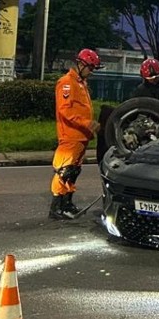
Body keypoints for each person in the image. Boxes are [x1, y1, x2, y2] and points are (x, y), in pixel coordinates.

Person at [49, 48, 102, 220]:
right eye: (90, 67)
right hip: (70, 136)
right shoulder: (66, 82)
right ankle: (56, 207)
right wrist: (87, 123)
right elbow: (65, 111)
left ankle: (67, 204)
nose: (91, 71)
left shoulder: (81, 83)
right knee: (64, 171)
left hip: (81, 136)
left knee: (73, 171)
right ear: (80, 64)